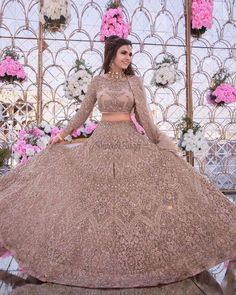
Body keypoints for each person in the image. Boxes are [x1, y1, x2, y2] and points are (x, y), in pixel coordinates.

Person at [0, 35, 235, 289]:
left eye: (131, 54)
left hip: (130, 144)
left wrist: (160, 143)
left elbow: (144, 117)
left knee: (132, 201)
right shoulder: (97, 81)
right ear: (111, 54)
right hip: (100, 145)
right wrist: (62, 135)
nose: (128, 58)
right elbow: (83, 112)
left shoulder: (135, 82)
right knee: (96, 202)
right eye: (124, 53)